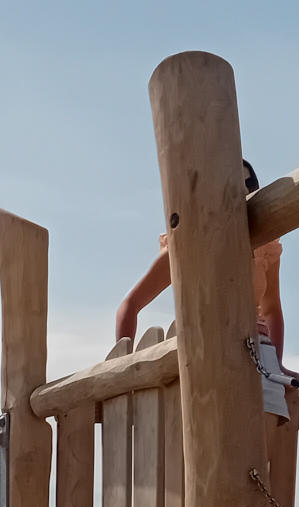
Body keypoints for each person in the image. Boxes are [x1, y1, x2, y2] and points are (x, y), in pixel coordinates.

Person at [115, 159, 289, 418]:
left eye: (249, 182)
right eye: (234, 181)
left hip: (260, 357)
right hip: (206, 355)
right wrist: (123, 366)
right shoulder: (186, 243)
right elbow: (131, 305)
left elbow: (272, 309)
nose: (243, 189)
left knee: (262, 452)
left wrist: (278, 365)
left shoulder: (266, 246)